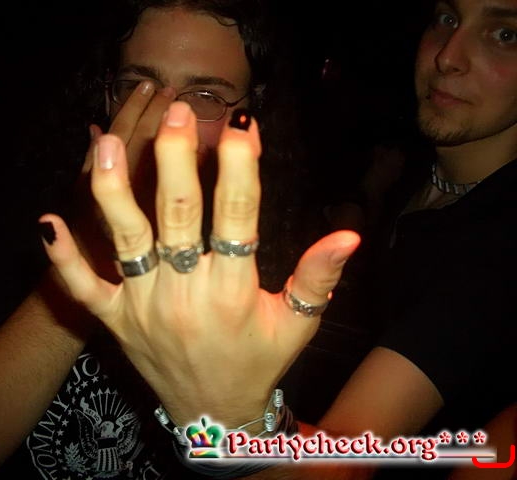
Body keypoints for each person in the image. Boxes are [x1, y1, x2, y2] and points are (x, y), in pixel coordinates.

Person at [39, 0, 517, 479]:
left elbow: (346, 462)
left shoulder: (499, 242)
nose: (448, 56)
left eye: (505, 35)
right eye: (448, 18)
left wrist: (231, 420)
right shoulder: (417, 177)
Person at [0, 1, 328, 479]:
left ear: (248, 115)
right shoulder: (14, 216)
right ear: (106, 97)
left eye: (206, 95)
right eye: (138, 87)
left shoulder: (273, 259)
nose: (165, 117)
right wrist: (94, 248)